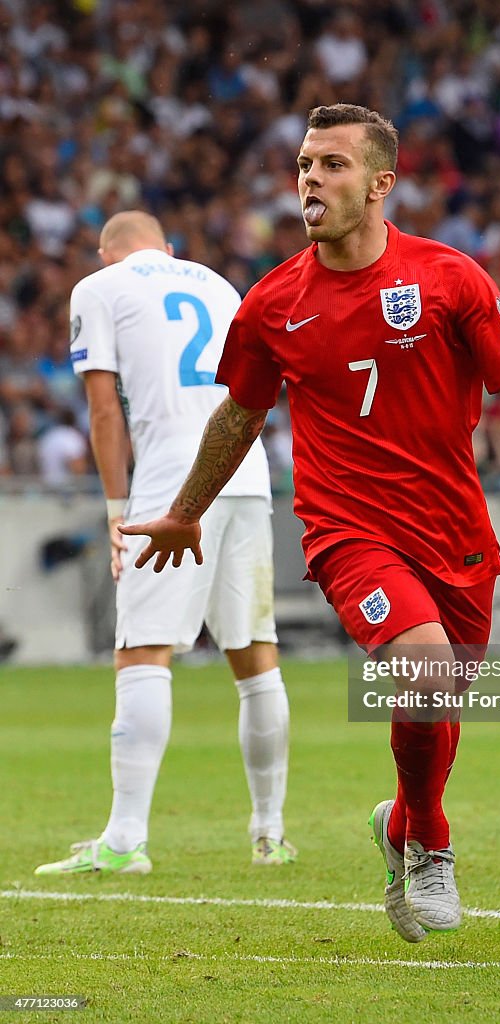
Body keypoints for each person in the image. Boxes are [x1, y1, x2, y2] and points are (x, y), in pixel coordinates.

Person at [119, 106, 500, 937]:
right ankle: (432, 848)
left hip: (454, 533)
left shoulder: (450, 279)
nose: (310, 179)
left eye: (332, 166)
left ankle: (400, 823)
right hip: (348, 532)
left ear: (382, 184)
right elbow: (239, 416)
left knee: (444, 697)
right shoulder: (272, 304)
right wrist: (183, 512)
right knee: (422, 665)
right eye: (305, 164)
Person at [35, 211, 296, 876]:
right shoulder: (215, 283)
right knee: (253, 652)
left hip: (170, 480)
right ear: (168, 249)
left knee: (143, 651)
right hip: (245, 471)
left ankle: (125, 841)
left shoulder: (101, 286)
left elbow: (102, 410)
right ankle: (269, 833)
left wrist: (118, 511)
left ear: (106, 251)